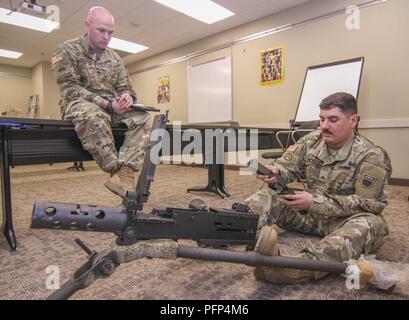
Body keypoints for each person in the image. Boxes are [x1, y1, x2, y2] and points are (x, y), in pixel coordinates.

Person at [244, 92, 392, 284]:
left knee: (371, 224)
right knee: (268, 195)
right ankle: (226, 228)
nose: (324, 126)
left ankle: (290, 269)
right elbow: (287, 168)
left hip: (343, 221)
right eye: (321, 119)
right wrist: (275, 171)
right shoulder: (311, 141)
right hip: (309, 214)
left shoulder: (371, 155)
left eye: (332, 120)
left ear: (353, 120)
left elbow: (371, 204)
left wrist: (316, 202)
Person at [51, 6, 152, 198]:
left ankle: (126, 172)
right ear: (87, 25)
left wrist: (127, 97)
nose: (107, 37)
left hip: (111, 105)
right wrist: (106, 104)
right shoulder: (66, 50)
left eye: (111, 32)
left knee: (143, 117)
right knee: (94, 115)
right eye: (101, 30)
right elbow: (69, 88)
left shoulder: (115, 58)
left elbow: (125, 86)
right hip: (78, 103)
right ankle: (116, 171)